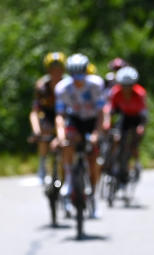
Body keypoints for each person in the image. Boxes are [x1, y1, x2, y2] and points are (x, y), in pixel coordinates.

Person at [54, 53, 106, 216]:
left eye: (81, 72)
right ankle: (69, 181)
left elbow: (101, 112)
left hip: (91, 121)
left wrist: (97, 133)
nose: (78, 77)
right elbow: (60, 116)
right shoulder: (62, 88)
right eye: (74, 73)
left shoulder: (96, 84)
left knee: (93, 161)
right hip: (74, 120)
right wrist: (61, 136)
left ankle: (93, 196)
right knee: (68, 144)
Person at [103, 65, 147, 182]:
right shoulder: (116, 92)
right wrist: (107, 122)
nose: (126, 89)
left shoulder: (140, 94)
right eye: (124, 86)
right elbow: (110, 109)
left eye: (129, 86)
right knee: (117, 139)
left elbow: (144, 114)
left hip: (137, 118)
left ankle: (136, 162)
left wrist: (141, 127)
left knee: (133, 144)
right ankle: (115, 163)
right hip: (124, 117)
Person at [30, 52, 67, 184]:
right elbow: (34, 112)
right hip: (48, 116)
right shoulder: (42, 86)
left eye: (59, 69)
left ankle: (66, 169)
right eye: (52, 69)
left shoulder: (68, 85)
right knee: (43, 132)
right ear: (48, 70)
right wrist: (36, 130)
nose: (56, 72)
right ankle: (42, 165)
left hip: (65, 116)